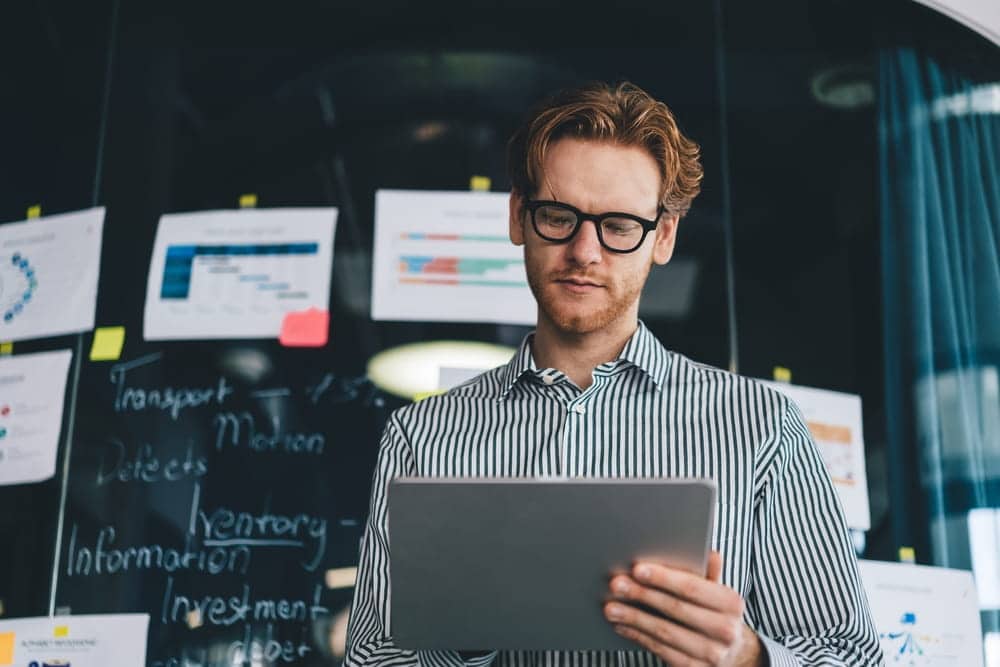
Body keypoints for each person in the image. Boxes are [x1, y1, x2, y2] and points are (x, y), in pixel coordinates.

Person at [345, 81, 884, 666]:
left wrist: (748, 658)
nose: (584, 251)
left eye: (620, 225)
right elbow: (372, 659)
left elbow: (852, 656)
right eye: (558, 215)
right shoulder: (423, 437)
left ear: (664, 236)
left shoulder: (759, 427)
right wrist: (460, 641)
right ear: (518, 217)